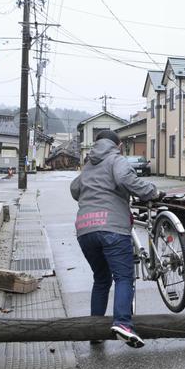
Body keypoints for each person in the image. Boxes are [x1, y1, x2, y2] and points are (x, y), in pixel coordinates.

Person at [70, 129, 160, 347]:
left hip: (85, 229)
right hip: (111, 228)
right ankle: (123, 323)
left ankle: (95, 330)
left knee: (101, 279)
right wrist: (152, 191)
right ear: (118, 146)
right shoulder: (115, 159)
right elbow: (124, 178)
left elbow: (74, 189)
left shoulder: (89, 165)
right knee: (123, 277)